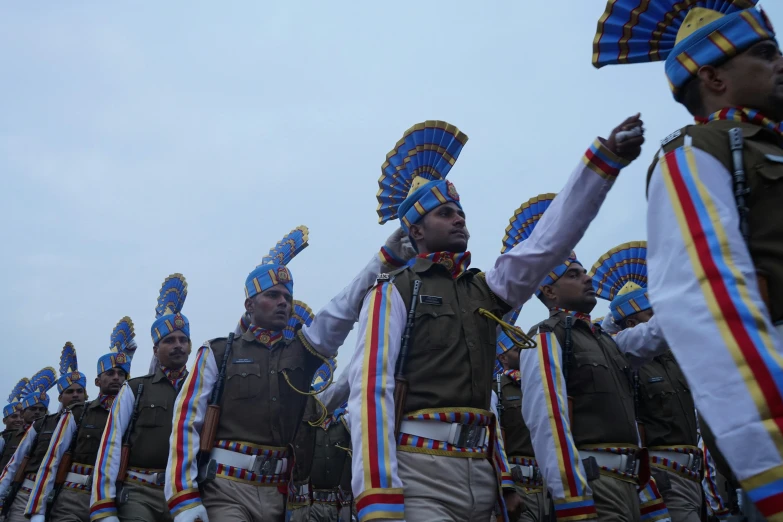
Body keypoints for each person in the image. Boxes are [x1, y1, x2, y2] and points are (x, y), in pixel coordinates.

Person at [348, 118, 645, 522]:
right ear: (415, 230)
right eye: (445, 213)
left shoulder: (485, 288)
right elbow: (372, 391)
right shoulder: (393, 291)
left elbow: (546, 243)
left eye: (460, 212)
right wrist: (378, 495)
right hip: (420, 473)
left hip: (484, 475)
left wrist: (602, 165)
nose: (459, 219)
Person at [592, 1, 783, 516]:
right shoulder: (700, 149)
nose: (780, 62)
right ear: (714, 77)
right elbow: (702, 303)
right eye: (765, 53)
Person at [165, 225, 417, 522]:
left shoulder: (302, 350)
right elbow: (186, 423)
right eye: (272, 295)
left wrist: (384, 260)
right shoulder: (218, 352)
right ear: (250, 305)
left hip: (281, 497)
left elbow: (342, 307)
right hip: (225, 490)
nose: (283, 301)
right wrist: (183, 496)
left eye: (287, 296)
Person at [591, 242, 702, 522]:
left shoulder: (676, 359)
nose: (657, 317)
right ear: (630, 325)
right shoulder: (622, 356)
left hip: (694, 475)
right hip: (660, 476)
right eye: (649, 313)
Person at [90, 275, 192, 522]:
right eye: (169, 340)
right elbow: (110, 445)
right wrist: (103, 506)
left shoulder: (200, 386)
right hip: (139, 491)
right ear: (156, 350)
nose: (178, 345)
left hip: (186, 493)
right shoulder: (135, 389)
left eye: (183, 340)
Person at [23, 322, 135, 522]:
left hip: (117, 498)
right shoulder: (78, 413)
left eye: (121, 374)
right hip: (74, 497)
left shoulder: (134, 412)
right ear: (97, 382)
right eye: (110, 373)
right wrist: (37, 510)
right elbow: (52, 460)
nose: (116, 378)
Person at [495, 312, 547, 522]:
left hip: (548, 488)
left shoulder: (543, 384)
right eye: (517, 349)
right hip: (518, 488)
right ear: (503, 357)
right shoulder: (496, 390)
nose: (525, 353)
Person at [0, 367, 59, 521]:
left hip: (35, 491)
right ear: (24, 411)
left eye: (42, 409)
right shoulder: (7, 438)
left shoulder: (51, 433)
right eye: (33, 409)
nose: (38, 412)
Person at [0, 379, 29, 459]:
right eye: (14, 416)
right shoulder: (1, 437)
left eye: (22, 417)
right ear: (4, 421)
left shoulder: (28, 437)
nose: (19, 420)